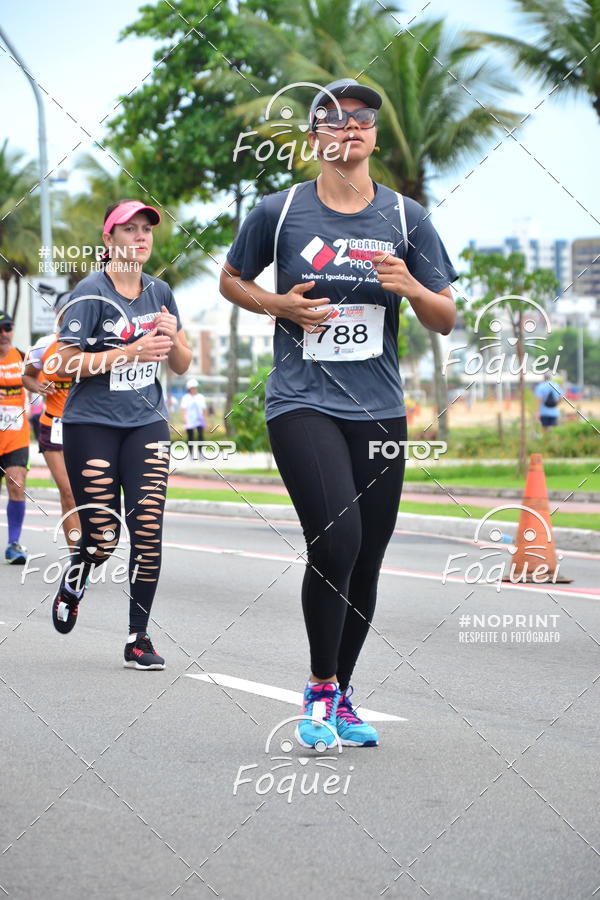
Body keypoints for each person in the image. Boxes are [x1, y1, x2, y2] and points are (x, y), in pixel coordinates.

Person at [220, 79, 457, 748]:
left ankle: (344, 695)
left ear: (374, 137)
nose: (349, 125)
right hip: (302, 401)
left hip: (379, 410)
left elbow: (445, 317)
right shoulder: (280, 211)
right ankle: (319, 689)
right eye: (333, 117)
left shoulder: (407, 218)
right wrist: (279, 305)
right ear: (314, 136)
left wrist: (412, 287)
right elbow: (231, 279)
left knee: (368, 557)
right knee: (337, 540)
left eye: (362, 118)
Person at [51, 198, 192, 669]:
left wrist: (172, 335)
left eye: (146, 229)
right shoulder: (89, 293)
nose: (140, 237)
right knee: (103, 537)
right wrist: (128, 352)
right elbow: (62, 362)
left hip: (146, 423)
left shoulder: (161, 291)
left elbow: (181, 363)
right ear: (108, 239)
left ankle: (138, 638)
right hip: (92, 424)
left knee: (148, 529)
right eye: (129, 229)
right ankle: (77, 576)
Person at [22, 327, 80, 550]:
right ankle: (77, 557)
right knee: (68, 492)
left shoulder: (94, 344)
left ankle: (90, 544)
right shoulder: (44, 344)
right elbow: (27, 376)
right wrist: (38, 386)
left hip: (86, 427)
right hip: (53, 425)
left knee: (88, 495)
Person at [0, 311, 29, 564]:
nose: (3, 334)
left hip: (16, 436)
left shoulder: (22, 357)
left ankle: (13, 544)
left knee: (17, 484)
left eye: (7, 328)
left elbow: (40, 381)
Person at [180, 377, 206, 444]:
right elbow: (183, 409)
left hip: (199, 419)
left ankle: (200, 449)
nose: (194, 389)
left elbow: (204, 409)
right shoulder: (186, 397)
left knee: (200, 435)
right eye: (193, 388)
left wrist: (204, 419)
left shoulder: (200, 397)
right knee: (190, 436)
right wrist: (184, 418)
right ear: (189, 389)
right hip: (189, 419)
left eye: (195, 387)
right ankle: (190, 449)